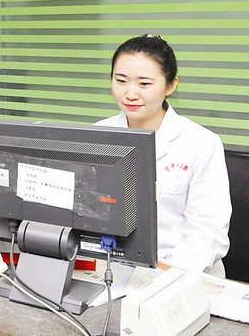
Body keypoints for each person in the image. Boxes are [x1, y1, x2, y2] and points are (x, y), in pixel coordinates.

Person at [96, 35, 231, 276]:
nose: (130, 94)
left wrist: (166, 276)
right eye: (121, 81)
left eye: (144, 84)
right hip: (109, 268)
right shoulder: (96, 135)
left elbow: (207, 231)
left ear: (170, 85)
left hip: (183, 272)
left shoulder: (202, 142)